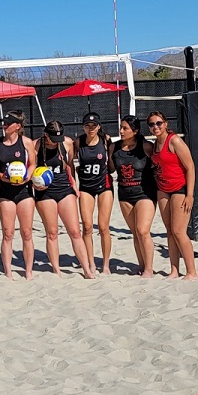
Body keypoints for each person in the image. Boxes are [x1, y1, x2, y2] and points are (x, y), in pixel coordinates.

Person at [34, 121, 96, 279]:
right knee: (52, 232)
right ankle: (56, 270)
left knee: (75, 231)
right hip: (45, 191)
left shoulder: (67, 143)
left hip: (64, 188)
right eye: (54, 139)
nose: (57, 141)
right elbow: (31, 168)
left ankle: (86, 269)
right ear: (46, 135)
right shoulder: (36, 146)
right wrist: (34, 183)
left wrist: (73, 184)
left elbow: (69, 165)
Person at [148, 111, 198, 280]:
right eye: (152, 124)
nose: (155, 127)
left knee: (179, 231)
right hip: (163, 189)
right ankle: (174, 269)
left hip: (179, 188)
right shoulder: (154, 144)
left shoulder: (174, 140)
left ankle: (192, 271)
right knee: (169, 231)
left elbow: (190, 167)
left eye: (158, 123)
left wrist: (190, 195)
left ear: (166, 123)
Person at [0, 111, 38, 280]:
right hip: (6, 191)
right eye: (4, 122)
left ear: (18, 126)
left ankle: (28, 271)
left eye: (8, 123)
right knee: (8, 233)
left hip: (24, 191)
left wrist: (27, 176)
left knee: (26, 233)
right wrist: (1, 176)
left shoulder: (26, 142)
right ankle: (8, 271)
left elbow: (33, 163)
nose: (4, 125)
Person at [112, 116, 157, 278]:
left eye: (125, 128)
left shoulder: (146, 147)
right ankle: (142, 265)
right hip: (124, 194)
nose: (121, 131)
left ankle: (149, 269)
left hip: (145, 193)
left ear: (135, 131)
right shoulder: (114, 147)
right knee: (135, 233)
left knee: (143, 231)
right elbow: (110, 169)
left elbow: (158, 166)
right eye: (121, 127)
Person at [75, 112, 114, 275]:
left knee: (104, 227)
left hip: (104, 184)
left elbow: (112, 164)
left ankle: (105, 264)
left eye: (93, 126)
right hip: (85, 186)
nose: (90, 129)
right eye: (87, 126)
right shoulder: (78, 142)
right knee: (87, 226)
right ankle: (91, 263)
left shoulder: (105, 140)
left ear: (99, 126)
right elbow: (69, 162)